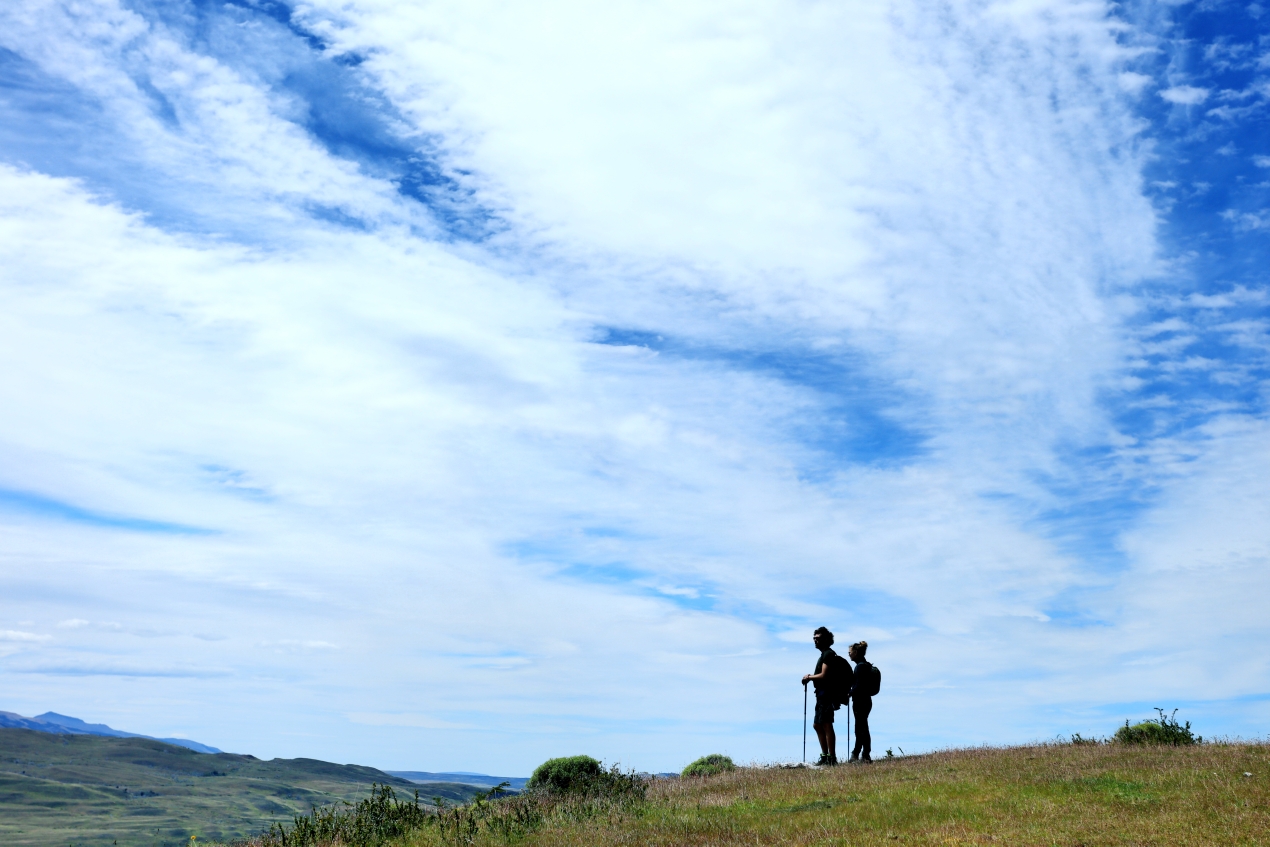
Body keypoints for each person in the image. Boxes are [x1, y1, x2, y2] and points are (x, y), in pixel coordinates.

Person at [801, 626, 843, 765]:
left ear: (825, 639)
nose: (815, 641)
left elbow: (824, 675)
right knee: (818, 725)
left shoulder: (828, 654)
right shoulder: (825, 654)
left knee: (826, 724)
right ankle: (826, 756)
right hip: (821, 694)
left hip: (826, 694)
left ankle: (831, 758)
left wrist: (809, 677)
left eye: (818, 639)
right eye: (814, 638)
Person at [848, 640, 874, 763]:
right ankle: (859, 753)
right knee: (861, 727)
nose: (849, 654)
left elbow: (858, 686)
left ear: (856, 652)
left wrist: (848, 694)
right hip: (866, 700)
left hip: (860, 701)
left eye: (850, 652)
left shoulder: (860, 667)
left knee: (861, 728)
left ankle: (864, 754)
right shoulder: (866, 665)